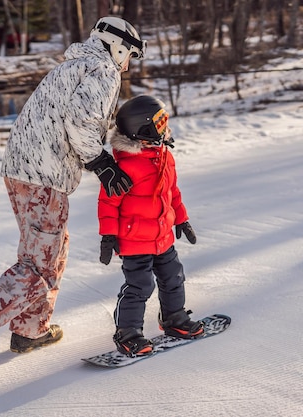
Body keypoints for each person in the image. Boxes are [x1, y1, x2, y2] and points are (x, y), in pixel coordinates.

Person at [0, 16, 146, 371]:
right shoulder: (103, 70)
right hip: (44, 177)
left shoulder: (73, 66)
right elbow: (81, 122)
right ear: (119, 46)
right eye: (130, 56)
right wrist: (102, 162)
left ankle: (31, 330)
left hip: (23, 171)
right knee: (39, 265)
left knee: (52, 250)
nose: (127, 65)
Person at [96, 95, 204, 357]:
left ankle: (174, 318)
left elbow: (172, 192)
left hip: (163, 236)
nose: (165, 126)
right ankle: (128, 332)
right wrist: (108, 236)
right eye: (159, 121)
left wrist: (182, 218)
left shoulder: (165, 156)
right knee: (140, 285)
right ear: (141, 128)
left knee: (174, 277)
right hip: (135, 241)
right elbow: (107, 202)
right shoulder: (125, 166)